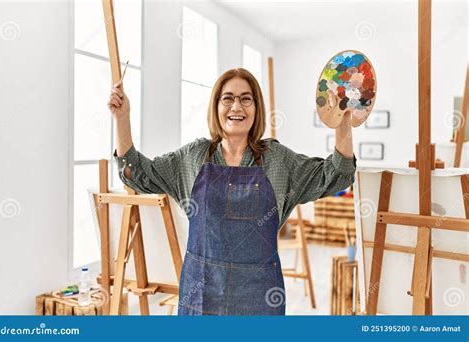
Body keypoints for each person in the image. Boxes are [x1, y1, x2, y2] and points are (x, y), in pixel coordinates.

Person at [108, 68, 356, 315]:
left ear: (256, 107)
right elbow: (137, 173)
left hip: (259, 301)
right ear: (216, 106)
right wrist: (122, 118)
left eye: (246, 99)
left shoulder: (278, 160)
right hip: (201, 300)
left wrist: (342, 124)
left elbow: (336, 175)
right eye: (228, 98)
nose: (236, 107)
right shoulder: (193, 157)